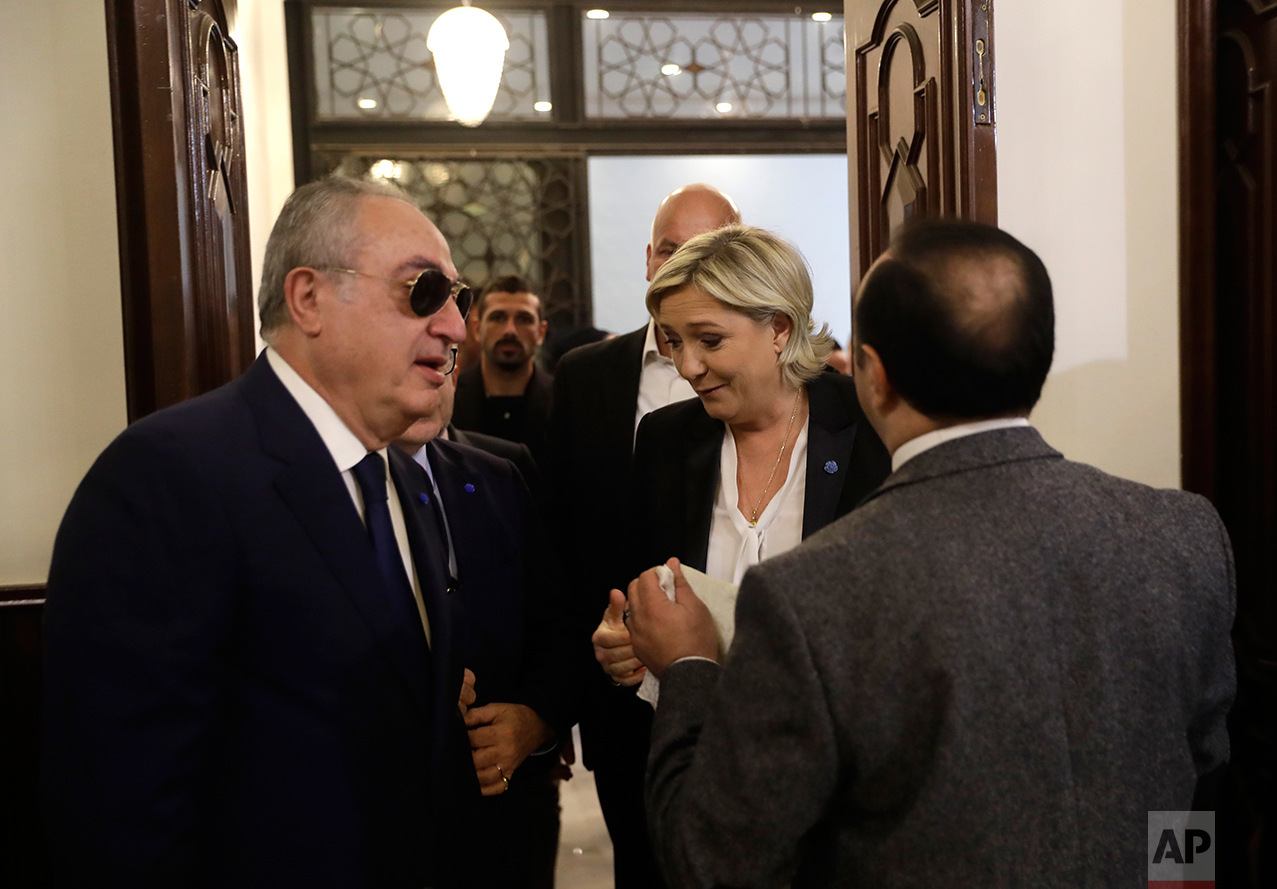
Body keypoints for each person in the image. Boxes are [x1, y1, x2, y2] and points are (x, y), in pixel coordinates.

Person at [625, 219, 1237, 888]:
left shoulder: (810, 589)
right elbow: (1202, 782)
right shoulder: (1183, 534)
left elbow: (713, 862)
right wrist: (1182, 886)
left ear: (873, 376)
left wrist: (686, 666)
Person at [41, 176, 478, 887]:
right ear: (308, 298)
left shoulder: (406, 483)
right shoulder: (167, 476)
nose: (455, 326)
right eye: (422, 292)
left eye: (458, 299)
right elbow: (120, 803)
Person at [590, 221, 891, 797]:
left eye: (709, 340)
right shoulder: (665, 440)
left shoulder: (870, 427)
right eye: (674, 341)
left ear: (779, 328)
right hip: (703, 772)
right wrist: (619, 635)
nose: (687, 367)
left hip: (844, 776)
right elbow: (640, 590)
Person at [548, 182, 742, 888]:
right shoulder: (586, 377)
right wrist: (563, 699)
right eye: (670, 248)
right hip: (621, 695)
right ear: (647, 259)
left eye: (706, 248)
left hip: (738, 685)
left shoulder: (788, 396)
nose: (685, 264)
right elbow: (563, 540)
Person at [394, 371, 587, 889]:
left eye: (446, 357)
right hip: (388, 819)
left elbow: (558, 627)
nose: (433, 372)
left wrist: (536, 720)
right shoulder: (331, 490)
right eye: (415, 355)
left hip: (504, 818)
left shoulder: (498, 476)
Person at [452, 275, 553, 465]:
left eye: (524, 319)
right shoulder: (449, 400)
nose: (510, 330)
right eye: (497, 318)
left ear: (541, 332)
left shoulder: (563, 404)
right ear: (476, 329)